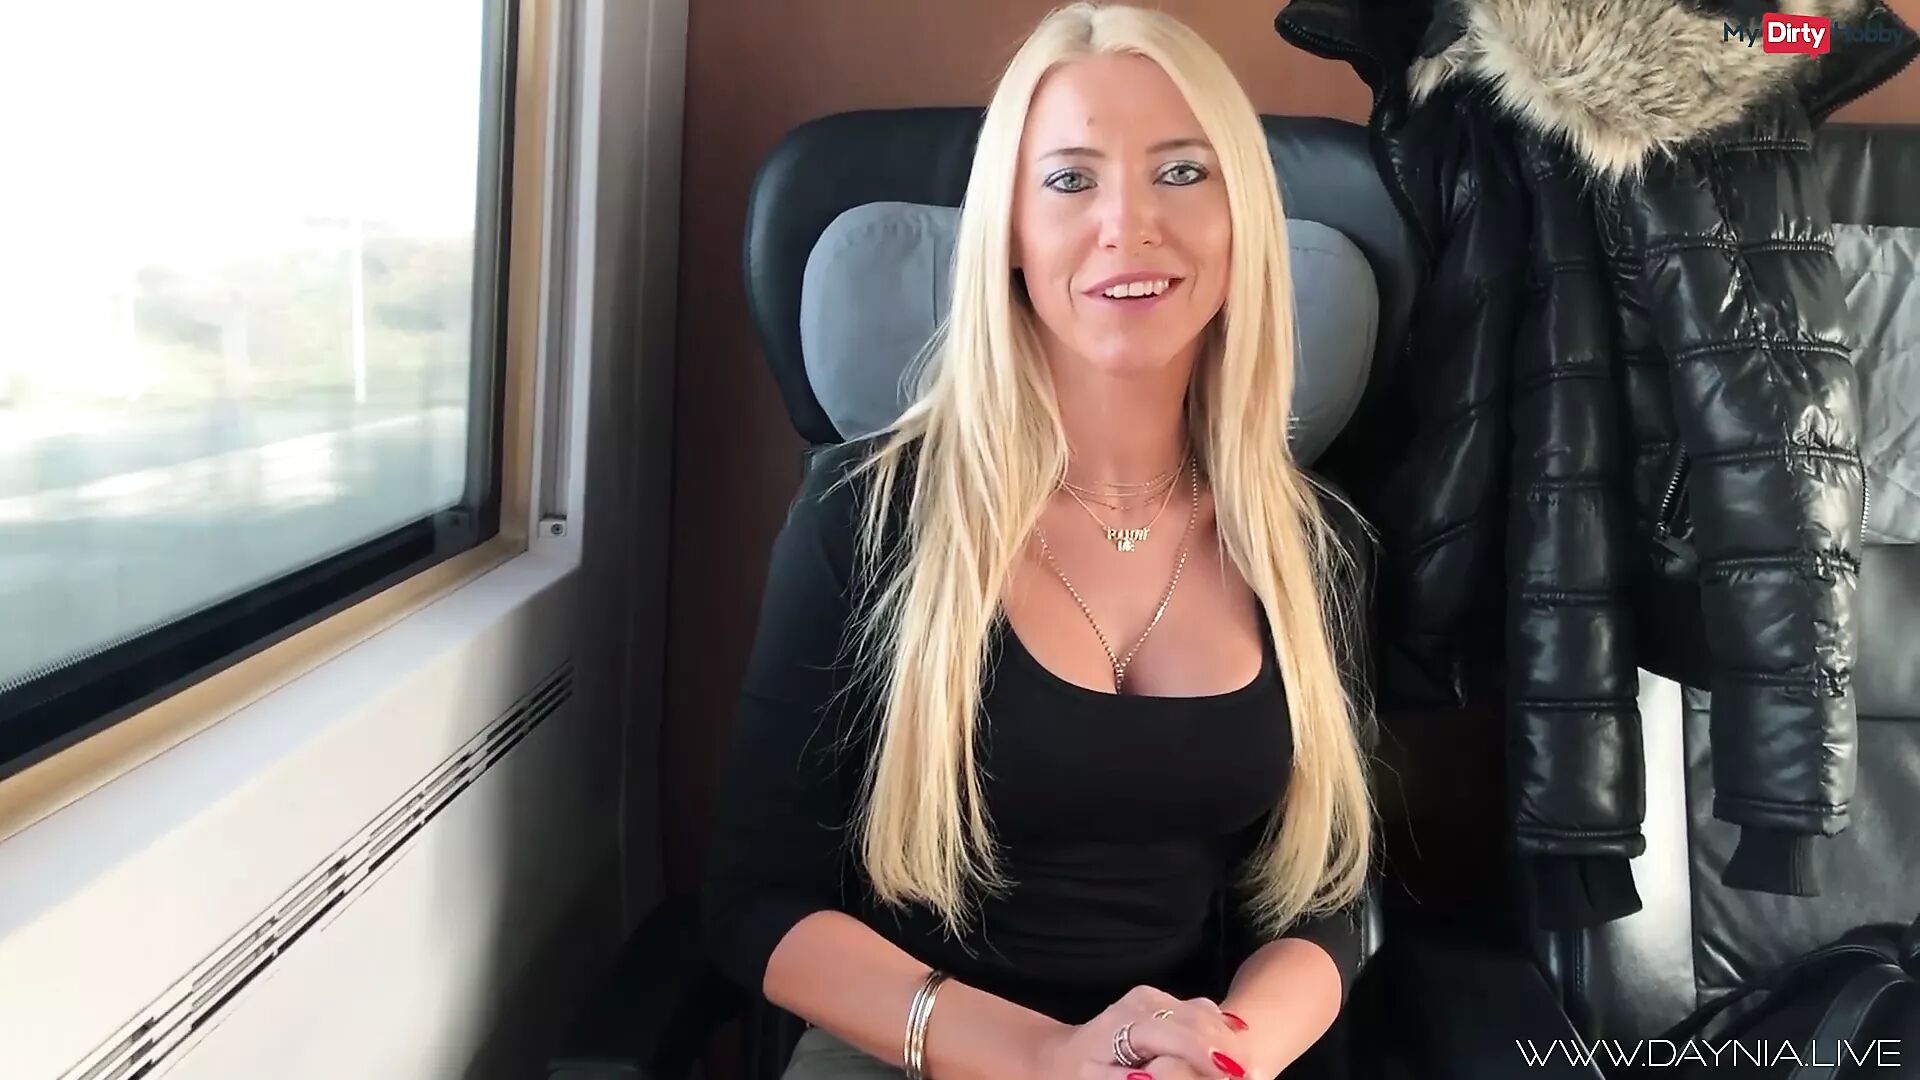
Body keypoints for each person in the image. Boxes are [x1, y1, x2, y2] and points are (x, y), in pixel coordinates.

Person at [700, 4, 1379, 1078]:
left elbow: (1324, 898)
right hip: (915, 1048)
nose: (1128, 225)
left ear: (1243, 217)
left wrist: (1224, 1057)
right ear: (1009, 232)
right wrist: (1050, 1057)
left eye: (1182, 172)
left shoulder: (1312, 544)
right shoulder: (866, 515)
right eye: (1070, 180)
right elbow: (757, 904)